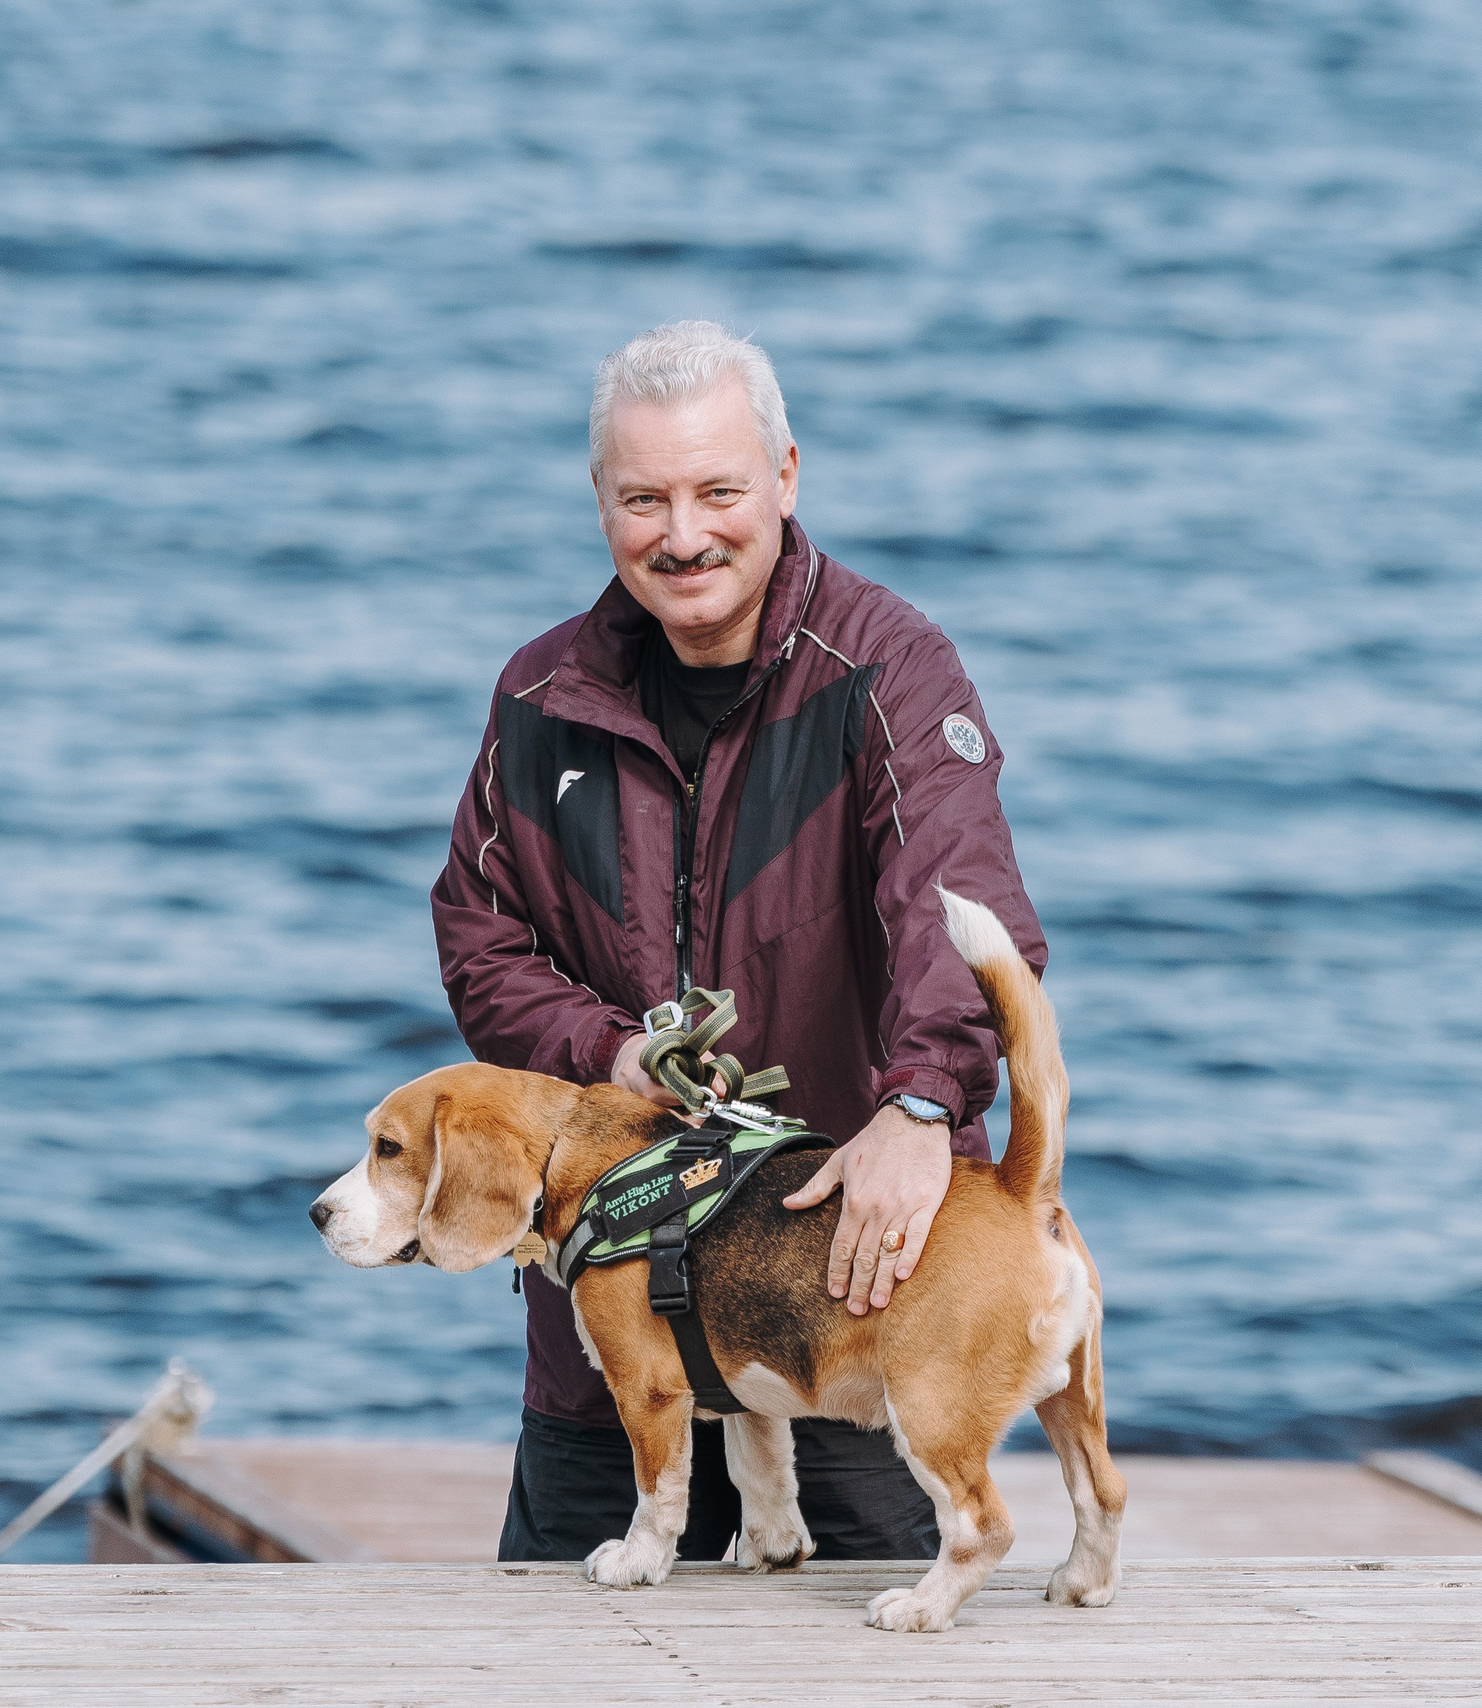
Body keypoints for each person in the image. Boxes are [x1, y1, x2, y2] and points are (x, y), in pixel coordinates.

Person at [431, 320, 1049, 1563]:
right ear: (601, 502)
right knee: (564, 1667)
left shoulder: (894, 673)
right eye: (643, 498)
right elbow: (477, 931)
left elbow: (961, 902)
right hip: (612, 1315)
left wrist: (923, 1106)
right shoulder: (538, 695)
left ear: (786, 477)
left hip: (850, 1297)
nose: (684, 534)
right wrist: (604, 1051)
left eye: (717, 489)